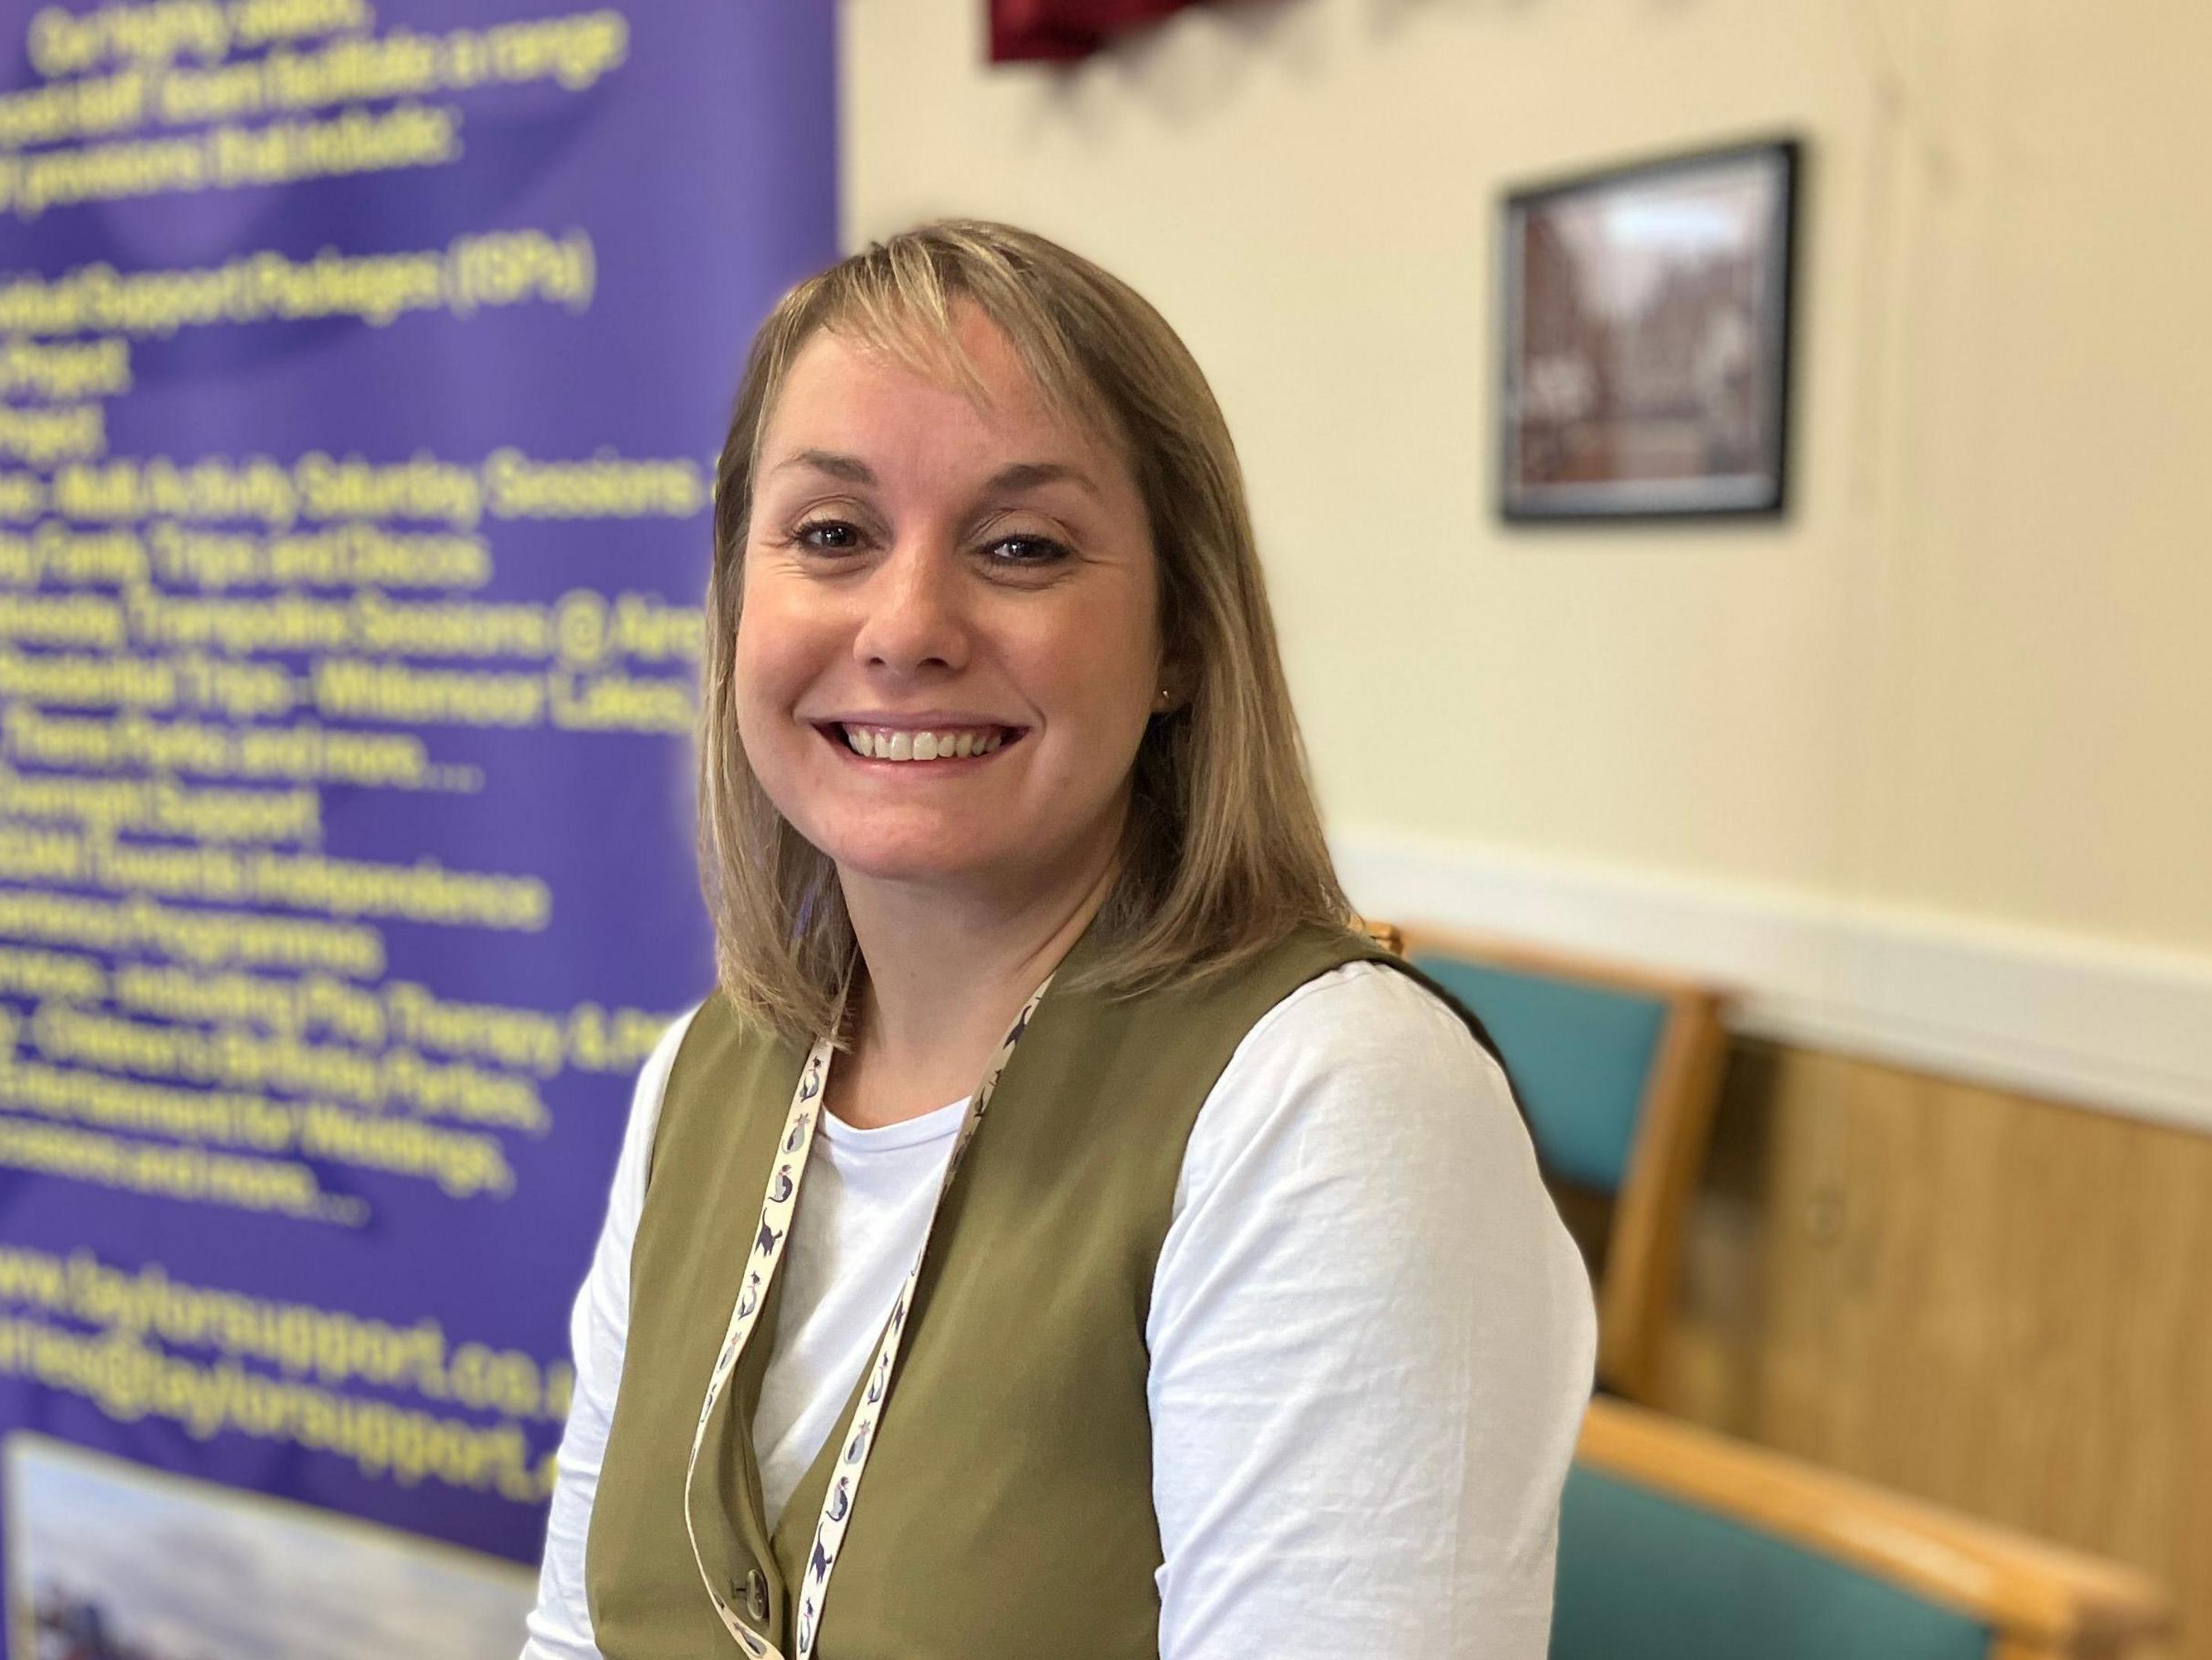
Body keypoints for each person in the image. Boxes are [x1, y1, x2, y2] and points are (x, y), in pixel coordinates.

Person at [521, 221, 1595, 1660]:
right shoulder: (700, 1078)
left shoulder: (1340, 1103)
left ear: (1181, 644)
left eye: (1021, 546)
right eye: (832, 536)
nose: (906, 627)